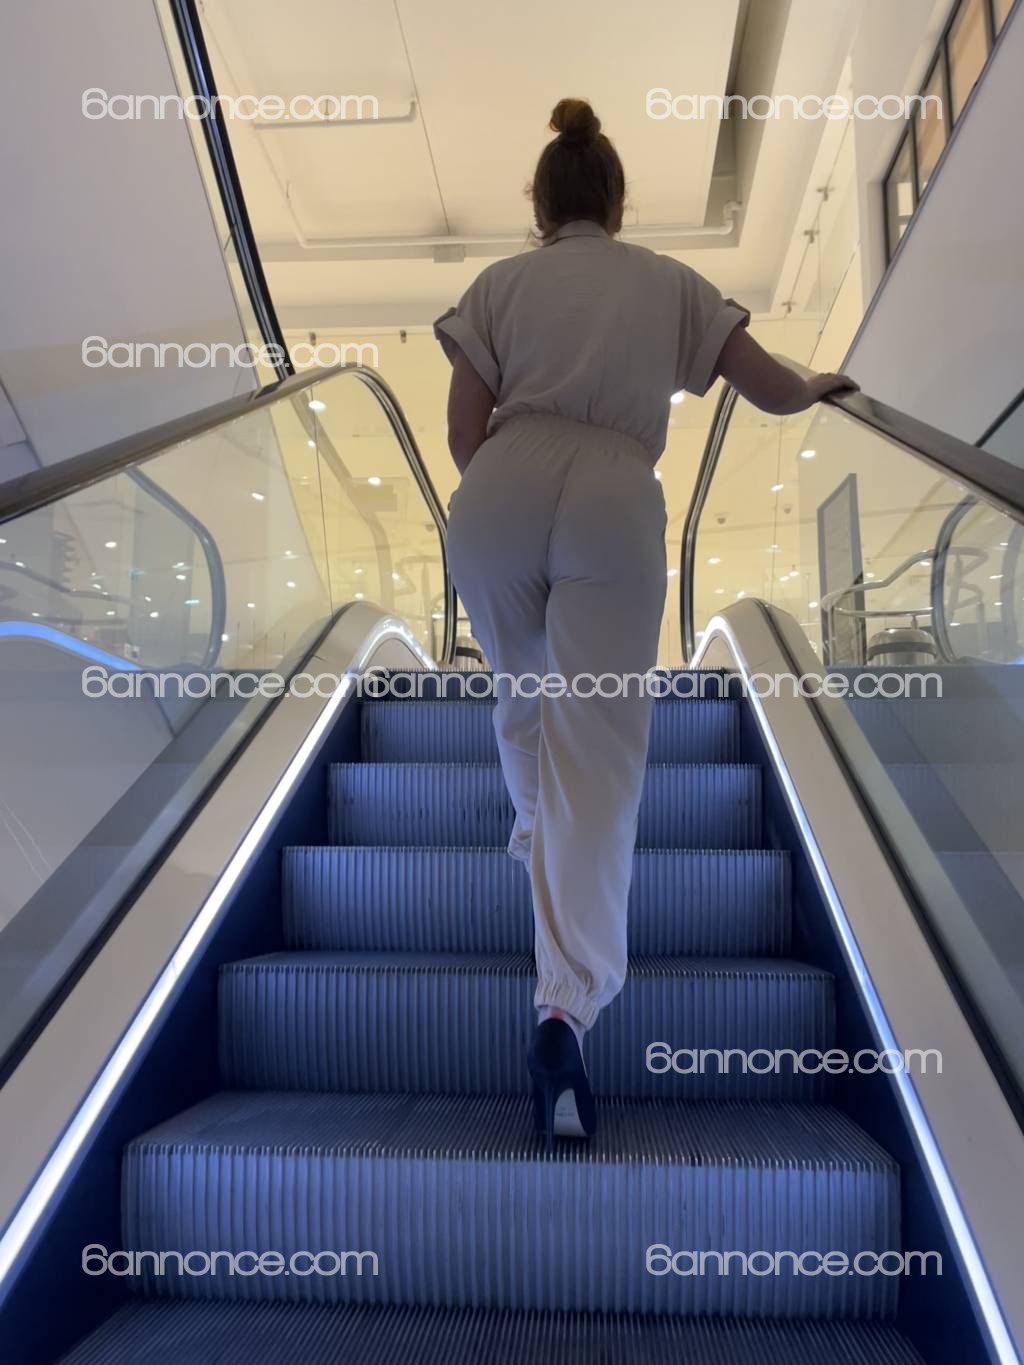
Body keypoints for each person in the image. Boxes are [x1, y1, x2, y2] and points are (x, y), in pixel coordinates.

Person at [434, 97, 857, 1151]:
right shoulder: (665, 280)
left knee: (521, 692)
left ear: (539, 208)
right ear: (616, 204)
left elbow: (462, 430)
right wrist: (818, 384)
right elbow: (768, 387)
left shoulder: (499, 285)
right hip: (614, 493)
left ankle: (532, 833)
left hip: (499, 487)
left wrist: (507, 494)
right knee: (601, 744)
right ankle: (564, 1005)